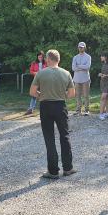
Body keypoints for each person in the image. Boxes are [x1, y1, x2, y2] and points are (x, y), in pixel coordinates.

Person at [30, 49, 76, 179]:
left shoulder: (40, 73)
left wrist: (42, 96)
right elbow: (72, 94)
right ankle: (68, 168)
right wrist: (62, 96)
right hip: (60, 105)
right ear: (58, 60)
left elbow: (32, 92)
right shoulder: (66, 73)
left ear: (48, 59)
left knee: (49, 138)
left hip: (45, 106)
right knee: (64, 136)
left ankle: (53, 171)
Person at [72, 42, 91, 116]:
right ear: (78, 48)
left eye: (82, 47)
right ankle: (78, 110)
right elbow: (73, 68)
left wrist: (78, 66)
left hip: (85, 79)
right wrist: (82, 66)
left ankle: (87, 110)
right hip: (76, 79)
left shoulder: (88, 57)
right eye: (79, 47)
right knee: (77, 95)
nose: (81, 48)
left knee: (86, 95)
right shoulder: (75, 57)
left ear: (85, 48)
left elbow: (87, 67)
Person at [25, 51, 47, 115]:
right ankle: (31, 108)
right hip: (36, 79)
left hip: (44, 80)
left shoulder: (46, 63)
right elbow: (31, 71)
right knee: (34, 94)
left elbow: (49, 69)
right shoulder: (34, 63)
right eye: (39, 57)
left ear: (43, 57)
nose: (40, 58)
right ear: (37, 57)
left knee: (44, 94)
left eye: (41, 57)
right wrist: (35, 73)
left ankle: (44, 109)